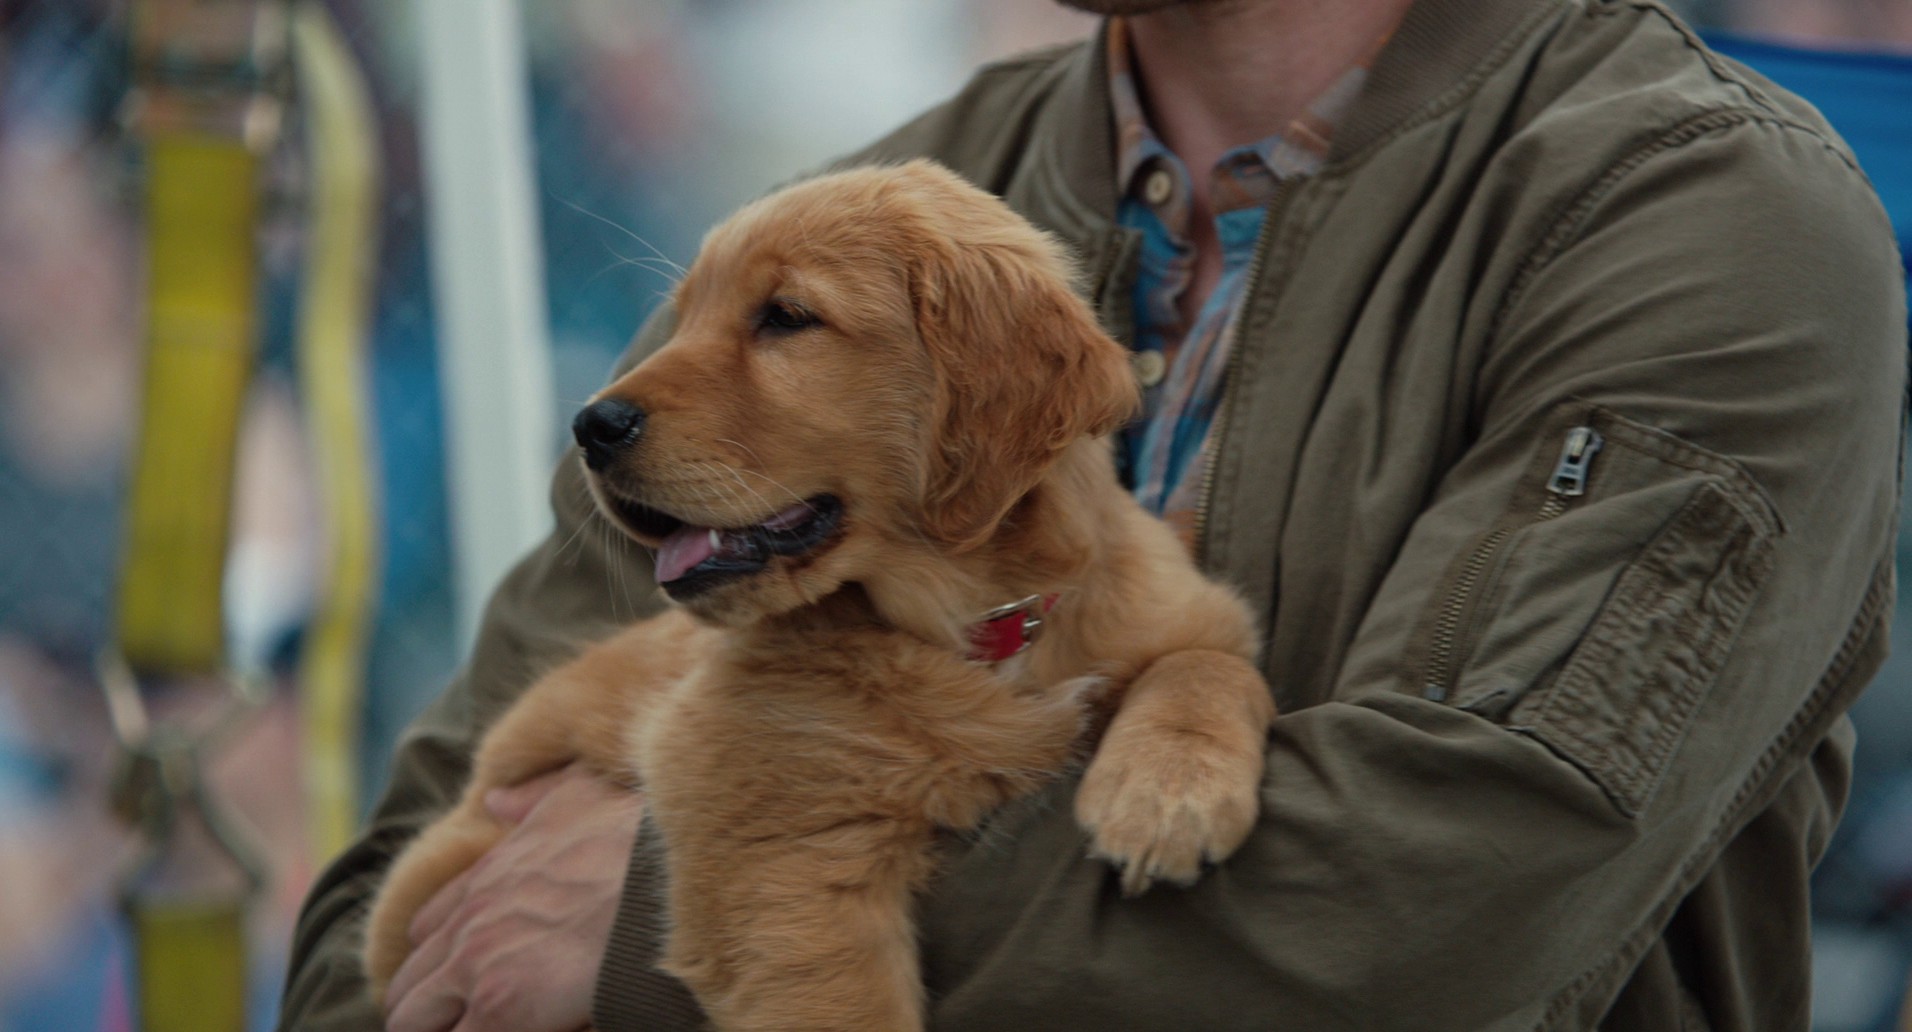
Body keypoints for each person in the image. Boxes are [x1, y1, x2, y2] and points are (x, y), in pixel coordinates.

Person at [278, 0, 1909, 1028]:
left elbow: (1445, 900)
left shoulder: (1706, 219)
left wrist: (675, 925)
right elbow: (390, 930)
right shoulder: (861, 215)